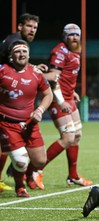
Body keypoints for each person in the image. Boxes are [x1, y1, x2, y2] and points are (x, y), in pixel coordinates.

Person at [25, 23, 92, 190]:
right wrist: (61, 100)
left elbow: (67, 76)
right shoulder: (60, 51)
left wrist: (72, 92)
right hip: (57, 98)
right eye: (70, 35)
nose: (74, 37)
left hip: (68, 97)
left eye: (77, 34)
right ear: (64, 37)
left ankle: (73, 176)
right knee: (68, 137)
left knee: (76, 136)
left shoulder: (75, 51)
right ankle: (33, 170)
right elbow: (54, 77)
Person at [0, 40, 53, 197]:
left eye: (24, 51)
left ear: (29, 55)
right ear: (11, 56)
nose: (21, 54)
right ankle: (19, 186)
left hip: (30, 124)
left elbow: (48, 95)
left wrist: (40, 110)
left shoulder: (36, 73)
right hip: (7, 124)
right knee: (22, 160)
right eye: (17, 51)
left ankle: (17, 165)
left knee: (40, 161)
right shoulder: (3, 71)